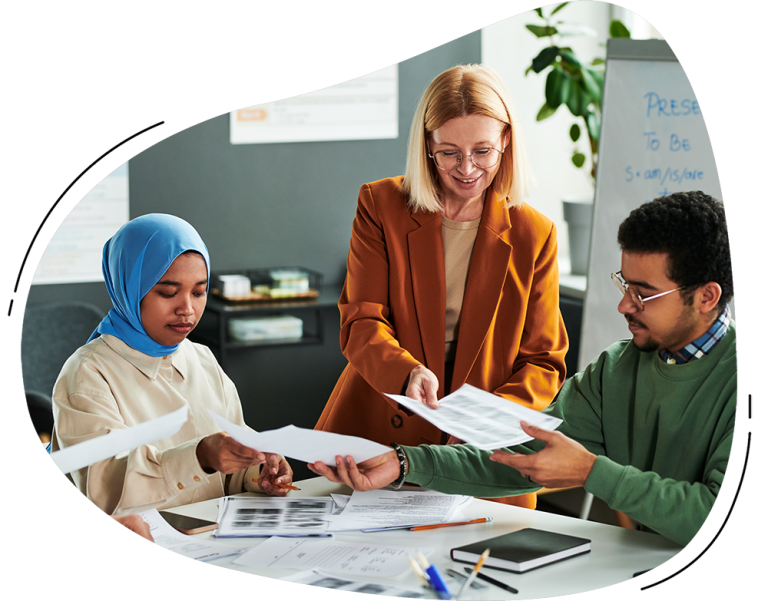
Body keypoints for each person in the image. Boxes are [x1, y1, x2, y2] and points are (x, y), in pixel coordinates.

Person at [310, 191, 737, 547]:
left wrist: (592, 472)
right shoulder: (617, 368)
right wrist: (405, 463)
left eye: (643, 294)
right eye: (624, 285)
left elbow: (712, 514)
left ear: (705, 296)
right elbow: (517, 455)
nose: (624, 305)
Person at [314, 64, 568, 510]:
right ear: (427, 145)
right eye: (449, 152)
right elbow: (361, 321)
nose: (467, 169)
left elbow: (544, 362)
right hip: (381, 433)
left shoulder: (535, 232)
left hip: (480, 450)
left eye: (483, 151)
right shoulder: (381, 205)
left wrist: (486, 419)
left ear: (506, 141)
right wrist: (406, 372)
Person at [51, 213, 293, 517]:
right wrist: (199, 456)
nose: (187, 309)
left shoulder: (201, 359)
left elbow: (228, 469)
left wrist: (258, 471)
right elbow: (104, 488)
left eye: (199, 292)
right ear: (130, 289)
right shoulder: (88, 374)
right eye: (168, 292)